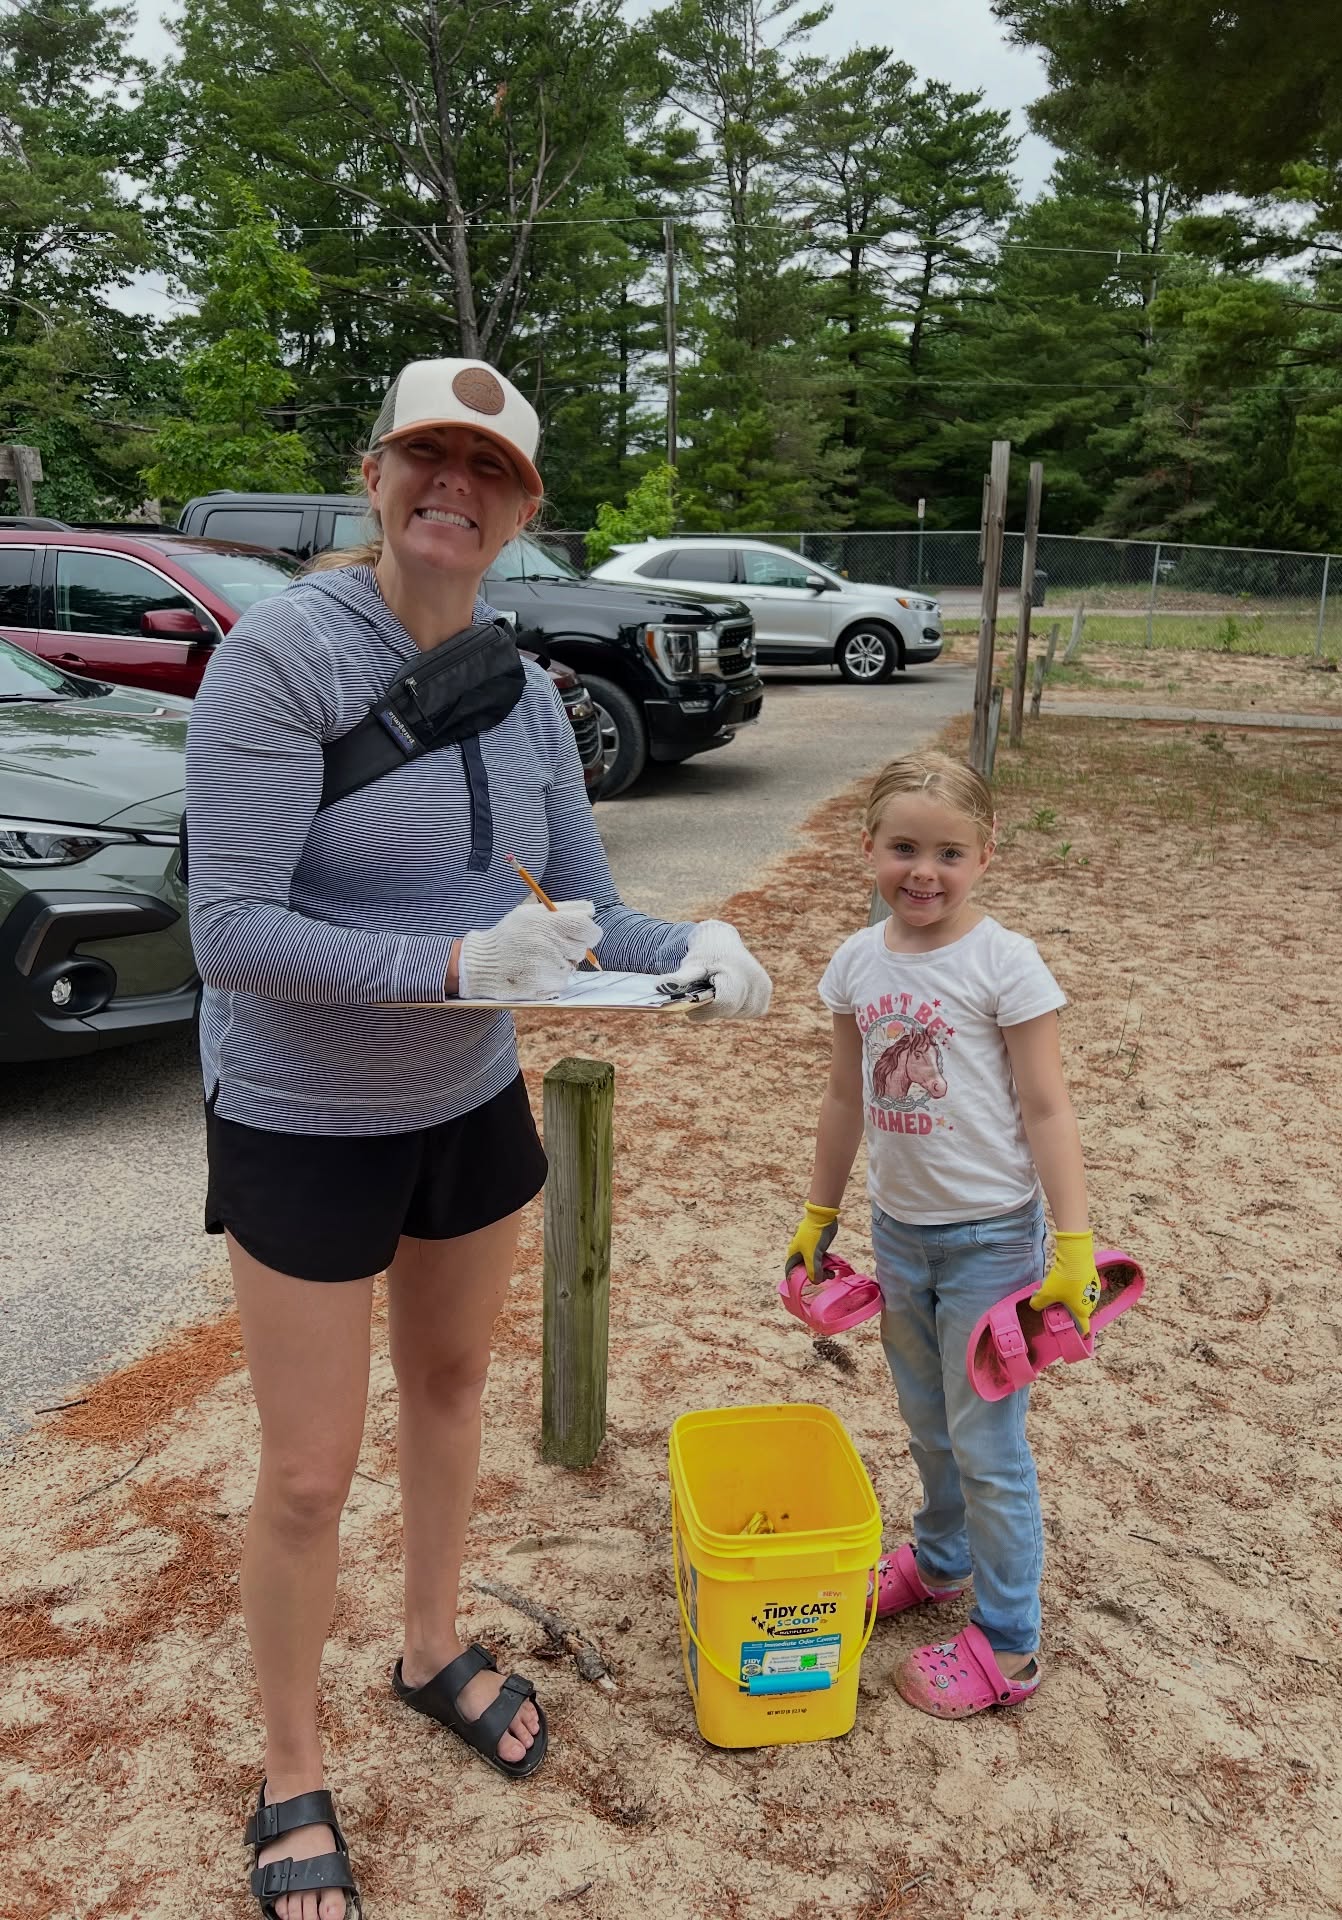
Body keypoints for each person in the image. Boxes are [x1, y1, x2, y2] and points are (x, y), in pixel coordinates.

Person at [184, 356, 772, 1920]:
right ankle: (291, 1767)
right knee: (308, 1474)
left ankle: (433, 1641)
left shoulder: (519, 693)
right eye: (426, 458)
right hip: (308, 1111)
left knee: (450, 1391)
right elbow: (228, 929)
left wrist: (695, 948)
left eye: (487, 469)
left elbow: (582, 907)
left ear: (523, 509)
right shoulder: (282, 660)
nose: (454, 485)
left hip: (462, 1102)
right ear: (375, 476)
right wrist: (440, 966)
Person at [785, 751, 1103, 1722]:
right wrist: (819, 1212)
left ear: (986, 856)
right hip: (899, 1235)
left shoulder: (1005, 964)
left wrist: (1075, 1245)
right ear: (868, 848)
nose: (924, 872)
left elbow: (1046, 1108)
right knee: (927, 1420)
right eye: (905, 849)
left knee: (988, 1442)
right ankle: (941, 1558)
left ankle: (1009, 1643)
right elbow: (846, 1095)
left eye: (949, 853)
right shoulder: (855, 964)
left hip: (991, 1244)